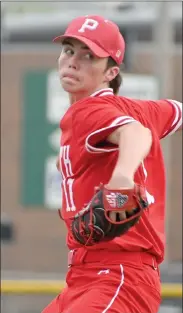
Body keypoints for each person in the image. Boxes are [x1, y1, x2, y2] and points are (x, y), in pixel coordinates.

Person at [42, 15, 182, 313]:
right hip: (87, 278)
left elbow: (136, 133)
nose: (73, 62)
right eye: (69, 50)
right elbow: (177, 112)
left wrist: (121, 177)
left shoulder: (89, 111)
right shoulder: (139, 109)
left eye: (89, 56)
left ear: (111, 73)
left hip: (117, 276)